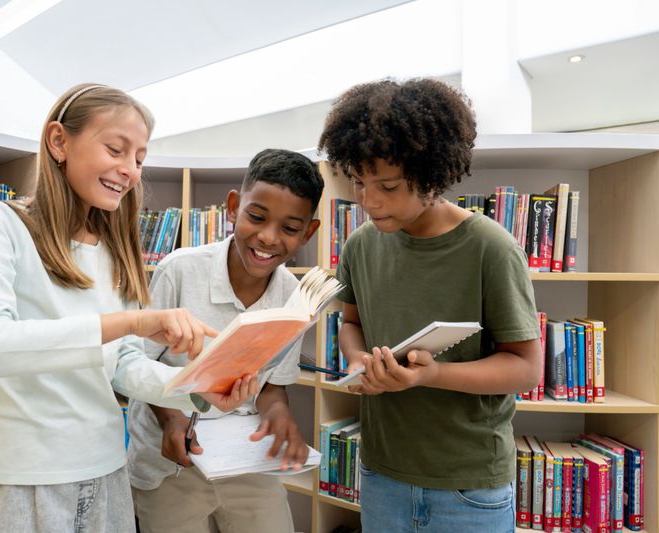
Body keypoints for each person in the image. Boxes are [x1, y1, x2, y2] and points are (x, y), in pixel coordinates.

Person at [0, 83, 257, 533]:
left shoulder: (117, 250)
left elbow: (122, 364)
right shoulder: (0, 223)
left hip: (106, 471)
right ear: (59, 141)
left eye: (139, 159)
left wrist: (198, 389)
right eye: (116, 149)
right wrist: (128, 322)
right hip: (24, 478)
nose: (129, 170)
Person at [317, 78, 542, 532]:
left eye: (389, 186)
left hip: (468, 483)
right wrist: (361, 361)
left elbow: (526, 368)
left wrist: (432, 374)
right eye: (359, 183)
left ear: (431, 175)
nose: (369, 201)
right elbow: (351, 322)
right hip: (381, 471)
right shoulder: (360, 245)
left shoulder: (490, 247)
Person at [127, 148, 324, 533]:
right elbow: (137, 365)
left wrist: (280, 415)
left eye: (289, 228)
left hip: (244, 458)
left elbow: (271, 387)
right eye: (257, 217)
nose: (268, 238)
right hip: (172, 462)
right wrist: (172, 421)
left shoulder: (293, 293)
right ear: (233, 207)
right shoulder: (179, 270)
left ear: (308, 233)